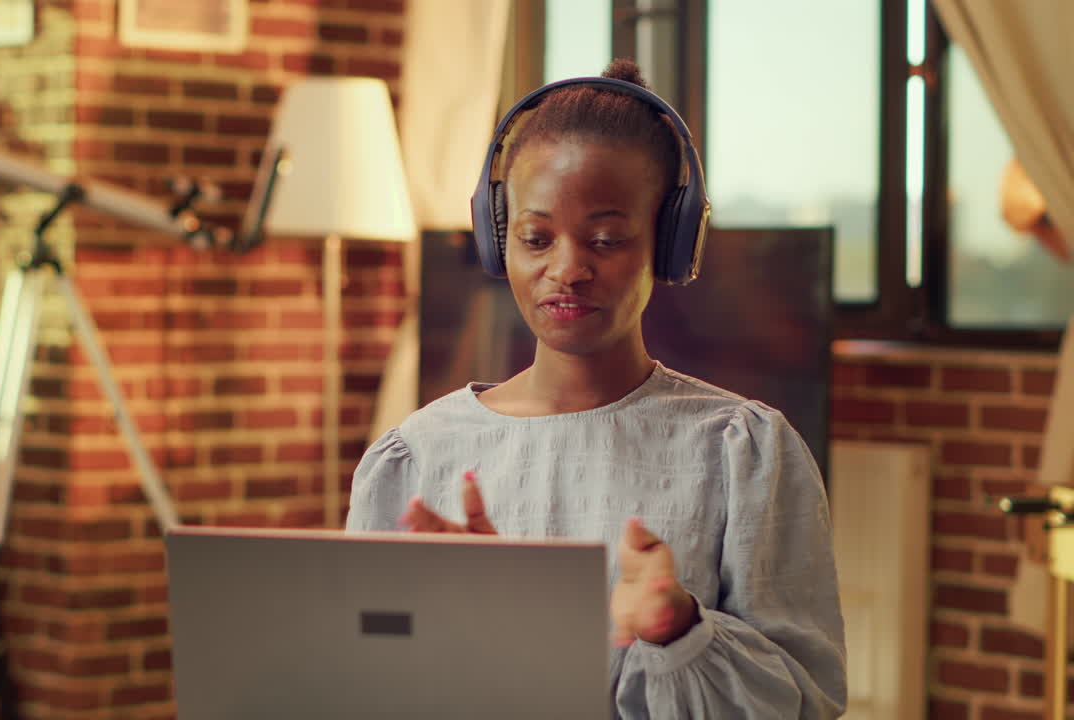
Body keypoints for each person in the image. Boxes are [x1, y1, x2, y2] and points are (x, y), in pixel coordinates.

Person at [346, 58, 846, 719]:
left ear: (669, 245)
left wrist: (680, 628)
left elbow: (804, 701)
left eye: (606, 239)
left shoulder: (741, 453)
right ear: (500, 240)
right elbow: (357, 687)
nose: (568, 269)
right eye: (536, 237)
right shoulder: (415, 458)